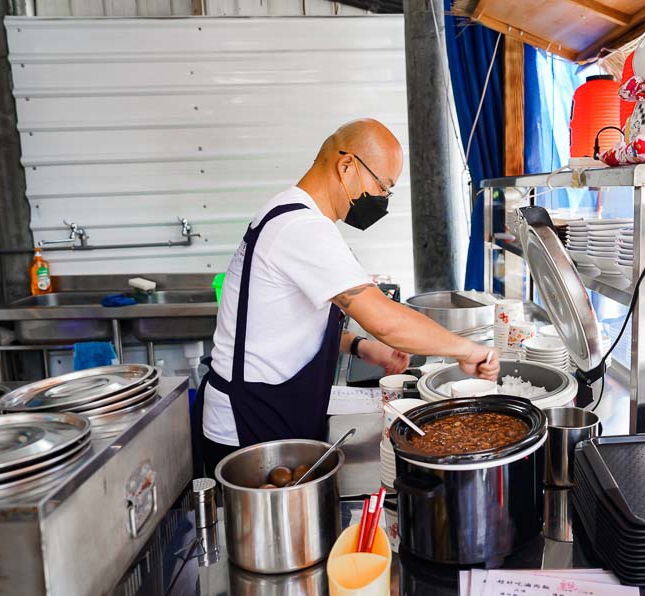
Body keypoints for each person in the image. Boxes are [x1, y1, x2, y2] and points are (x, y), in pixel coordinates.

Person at [197, 118, 500, 476]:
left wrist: (361, 347)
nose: (383, 200)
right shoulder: (301, 228)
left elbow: (281, 322)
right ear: (346, 166)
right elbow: (386, 321)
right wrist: (469, 350)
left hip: (264, 409)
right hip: (250, 424)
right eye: (384, 186)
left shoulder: (289, 213)